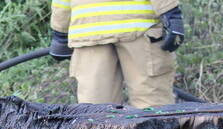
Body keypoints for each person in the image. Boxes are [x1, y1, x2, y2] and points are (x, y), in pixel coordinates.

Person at [48, 0, 185, 108]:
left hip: (89, 31)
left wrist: (61, 31)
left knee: (97, 114)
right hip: (138, 27)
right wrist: (171, 12)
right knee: (153, 107)